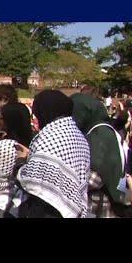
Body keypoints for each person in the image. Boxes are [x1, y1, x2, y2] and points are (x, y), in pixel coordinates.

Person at [10, 90, 91, 218]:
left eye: (37, 114)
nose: (37, 118)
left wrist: (20, 162)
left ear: (45, 111)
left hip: (48, 210)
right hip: (72, 207)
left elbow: (32, 180)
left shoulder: (49, 136)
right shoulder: (78, 135)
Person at [71, 92, 130, 218]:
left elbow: (96, 178)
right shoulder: (100, 130)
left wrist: (68, 179)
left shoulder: (100, 135)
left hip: (101, 207)